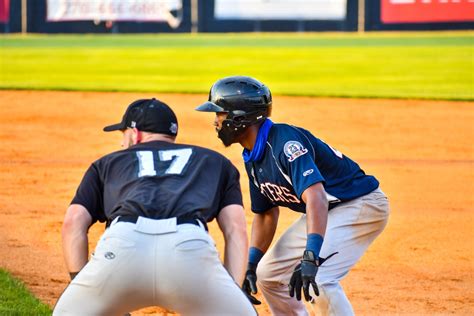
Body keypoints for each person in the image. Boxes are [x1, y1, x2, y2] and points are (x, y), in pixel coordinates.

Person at [196, 76, 390, 316]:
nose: (215, 122)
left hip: (361, 203)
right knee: (268, 275)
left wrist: (311, 256)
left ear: (240, 118)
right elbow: (266, 214)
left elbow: (316, 197)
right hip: (328, 209)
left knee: (320, 276)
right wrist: (251, 264)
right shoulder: (253, 156)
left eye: (220, 114)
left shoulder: (285, 144)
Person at [54, 98, 256, 315]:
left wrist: (80, 283)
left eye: (123, 135)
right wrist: (233, 289)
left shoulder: (106, 163)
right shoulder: (216, 161)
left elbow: (73, 223)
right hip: (190, 249)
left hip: (122, 247)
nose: (123, 144)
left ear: (135, 133)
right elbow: (236, 228)